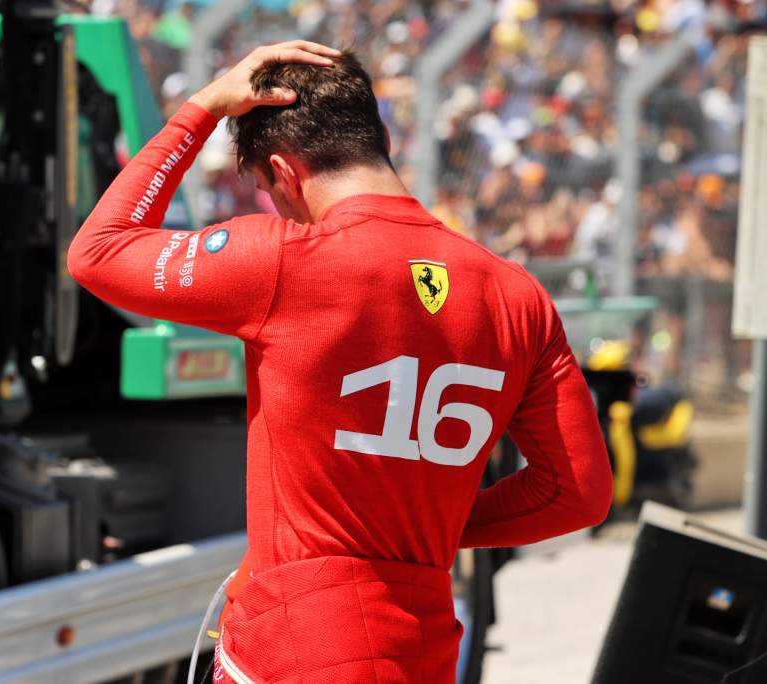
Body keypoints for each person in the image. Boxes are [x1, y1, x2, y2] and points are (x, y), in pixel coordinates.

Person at [68, 42, 612, 684]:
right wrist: (416, 530)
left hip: (293, 644)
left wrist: (204, 107)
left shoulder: (280, 259)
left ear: (284, 173)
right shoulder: (516, 294)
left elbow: (99, 251)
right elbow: (577, 492)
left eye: (271, 192)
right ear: (379, 136)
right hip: (423, 648)